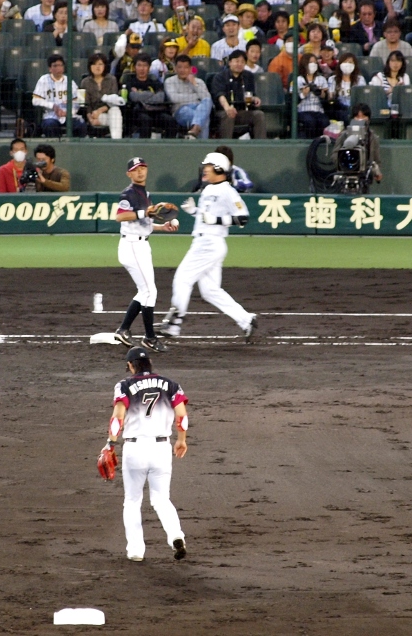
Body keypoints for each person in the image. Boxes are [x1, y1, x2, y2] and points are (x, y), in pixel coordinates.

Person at [158, 151, 257, 341]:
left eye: (208, 166)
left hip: (209, 243)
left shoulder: (227, 190)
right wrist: (195, 211)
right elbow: (206, 218)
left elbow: (243, 217)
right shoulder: (208, 189)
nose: (204, 169)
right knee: (210, 291)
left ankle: (174, 324)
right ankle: (246, 320)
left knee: (182, 278)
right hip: (207, 241)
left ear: (219, 169)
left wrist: (216, 219)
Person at [105, 345, 189, 562]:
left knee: (132, 501)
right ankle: (176, 536)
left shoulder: (124, 385)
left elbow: (118, 418)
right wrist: (181, 440)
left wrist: (110, 444)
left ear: (130, 366)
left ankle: (135, 550)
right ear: (150, 364)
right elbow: (182, 416)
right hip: (161, 448)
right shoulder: (171, 385)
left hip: (134, 449)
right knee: (161, 499)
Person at [111, 157, 177, 351]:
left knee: (145, 291)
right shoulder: (128, 193)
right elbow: (120, 216)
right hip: (132, 246)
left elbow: (144, 223)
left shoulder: (145, 194)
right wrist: (144, 213)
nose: (140, 172)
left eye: (143, 168)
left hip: (140, 245)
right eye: (135, 169)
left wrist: (161, 227)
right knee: (150, 291)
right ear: (129, 174)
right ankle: (149, 337)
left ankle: (123, 330)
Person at [210, 49, 265, 139]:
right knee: (229, 115)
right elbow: (220, 95)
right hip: (224, 111)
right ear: (230, 62)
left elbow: (251, 94)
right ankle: (225, 147)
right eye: (237, 61)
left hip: (242, 111)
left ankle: (261, 147)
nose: (239, 64)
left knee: (259, 115)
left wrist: (255, 99)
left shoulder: (248, 76)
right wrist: (228, 108)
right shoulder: (220, 77)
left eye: (242, 62)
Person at [32, 53, 85, 138]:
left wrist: (69, 112)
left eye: (61, 65)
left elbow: (79, 101)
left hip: (68, 115)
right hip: (51, 115)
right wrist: (52, 106)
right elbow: (35, 100)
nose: (58, 68)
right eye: (55, 66)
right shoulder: (43, 80)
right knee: (50, 125)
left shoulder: (69, 80)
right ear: (50, 68)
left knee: (81, 124)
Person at [165, 53, 212, 138]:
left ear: (191, 69)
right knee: (204, 118)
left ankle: (195, 130)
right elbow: (174, 98)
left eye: (186, 67)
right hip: (181, 110)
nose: (182, 70)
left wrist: (194, 84)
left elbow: (207, 98)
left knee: (207, 103)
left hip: (198, 108)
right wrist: (196, 97)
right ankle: (203, 147)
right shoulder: (169, 81)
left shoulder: (199, 81)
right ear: (175, 68)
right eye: (179, 67)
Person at [82, 52, 124, 138]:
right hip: (94, 115)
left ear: (105, 66)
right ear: (90, 66)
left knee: (115, 110)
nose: (97, 67)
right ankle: (117, 144)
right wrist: (90, 118)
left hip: (109, 111)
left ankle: (116, 142)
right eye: (94, 64)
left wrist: (100, 110)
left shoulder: (112, 79)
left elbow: (114, 100)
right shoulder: (85, 82)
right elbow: (85, 104)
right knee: (116, 120)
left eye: (100, 64)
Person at [297, 52, 329, 138]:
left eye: (315, 62)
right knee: (310, 121)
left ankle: (321, 142)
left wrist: (323, 95)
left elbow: (327, 98)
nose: (313, 64)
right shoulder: (298, 79)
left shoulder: (321, 79)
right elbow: (292, 99)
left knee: (324, 121)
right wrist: (303, 94)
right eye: (310, 62)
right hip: (303, 110)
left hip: (318, 110)